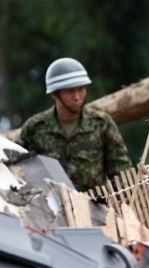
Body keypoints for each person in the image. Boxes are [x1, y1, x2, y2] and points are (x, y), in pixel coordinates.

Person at [17, 57, 131, 192]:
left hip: (95, 207)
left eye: (81, 89)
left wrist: (120, 204)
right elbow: (16, 164)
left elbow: (121, 171)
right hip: (51, 207)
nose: (77, 96)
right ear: (55, 94)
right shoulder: (35, 127)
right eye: (70, 91)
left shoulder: (101, 124)